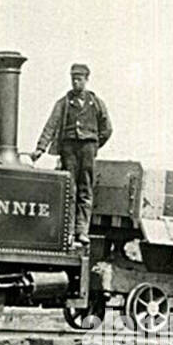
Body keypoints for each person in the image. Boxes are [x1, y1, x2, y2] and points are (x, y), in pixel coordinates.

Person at [31, 63, 112, 246]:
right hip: (69, 150)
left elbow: (107, 129)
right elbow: (51, 125)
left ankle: (82, 231)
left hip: (88, 149)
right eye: (73, 78)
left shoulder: (96, 103)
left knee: (85, 189)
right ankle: (67, 231)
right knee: (69, 189)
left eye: (80, 79)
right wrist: (40, 148)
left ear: (86, 79)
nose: (76, 82)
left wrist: (94, 145)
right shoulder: (64, 103)